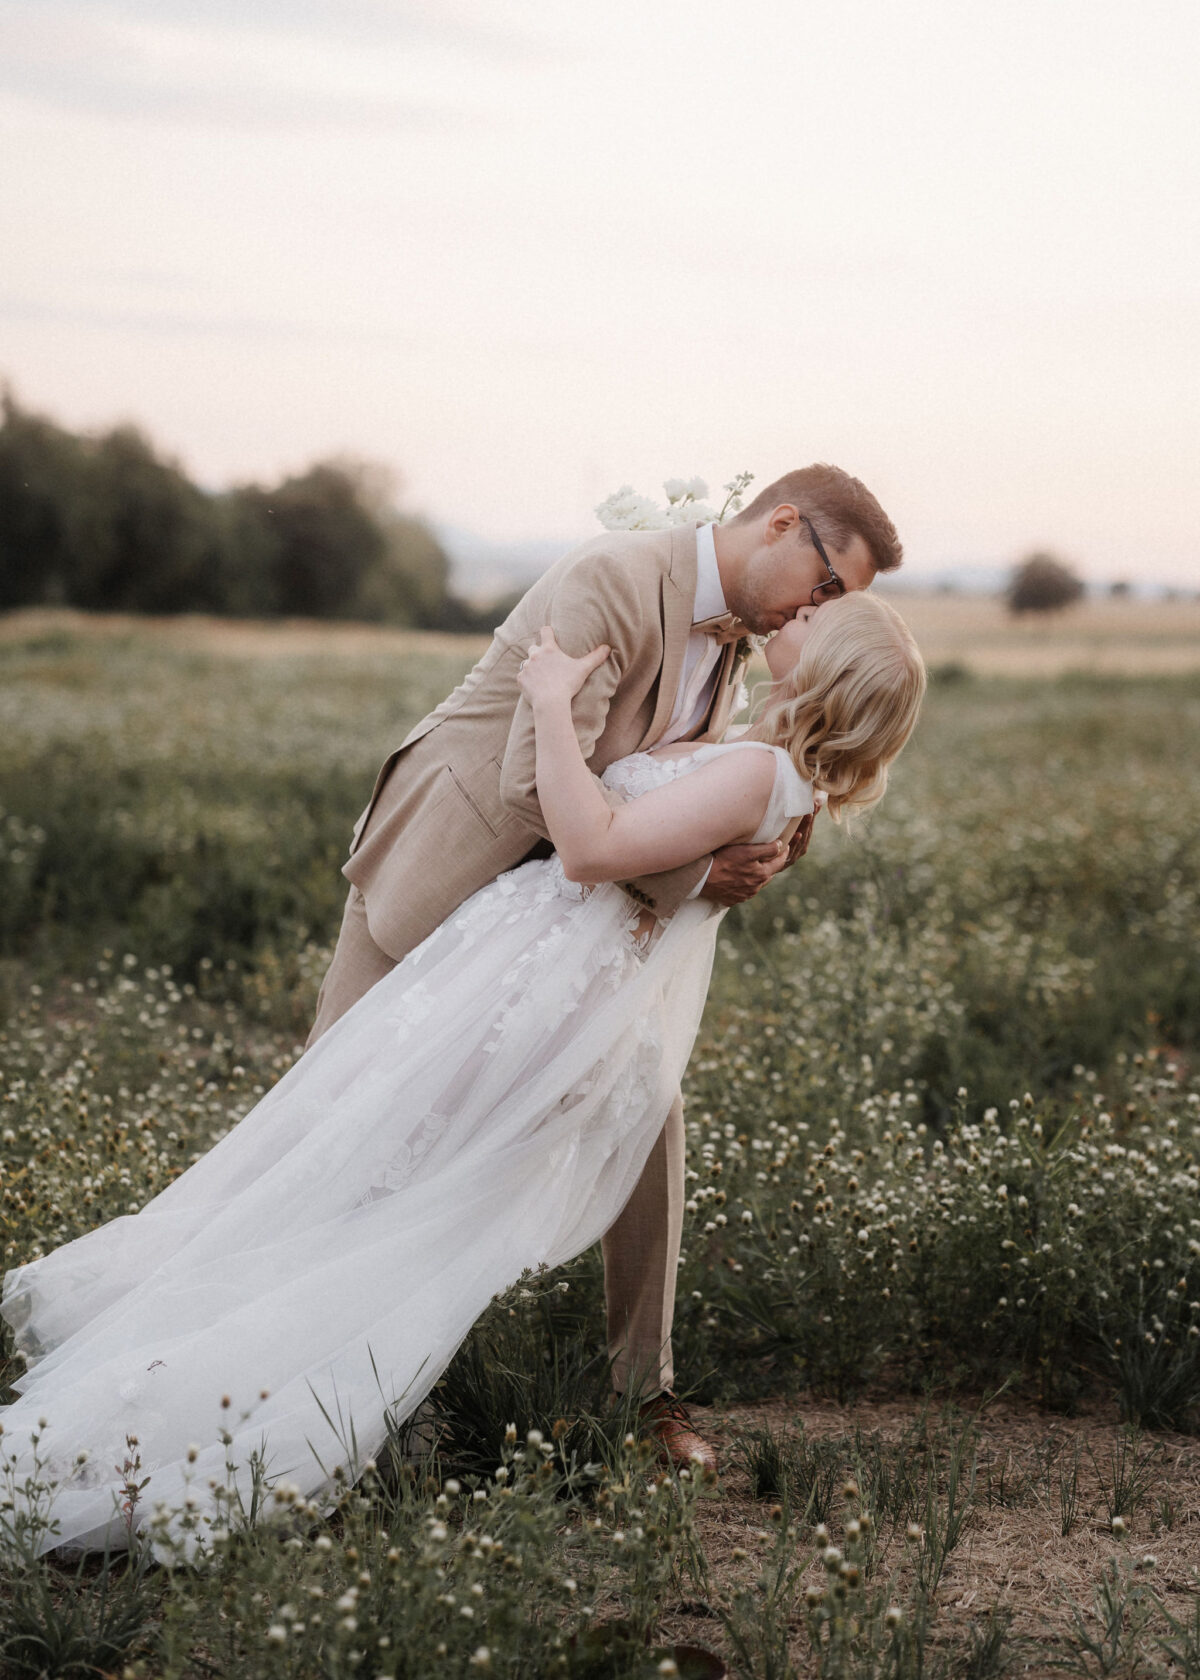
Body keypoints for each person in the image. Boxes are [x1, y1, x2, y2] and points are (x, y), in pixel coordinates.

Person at [0, 585, 925, 1561]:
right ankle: (196, 1396)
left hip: (535, 1006)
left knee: (382, 1193)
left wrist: (552, 697)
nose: (802, 613)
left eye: (821, 621)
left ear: (832, 674)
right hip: (520, 980)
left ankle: (202, 1427)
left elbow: (588, 848)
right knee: (363, 1175)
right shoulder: (758, 759)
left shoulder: (762, 778)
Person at [307, 465, 904, 1471]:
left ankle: (645, 1390)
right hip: (452, 866)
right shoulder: (614, 581)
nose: (821, 609)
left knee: (645, 1103)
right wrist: (694, 870)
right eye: (828, 584)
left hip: (570, 919)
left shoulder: (744, 647)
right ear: (784, 525)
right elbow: (532, 785)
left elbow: (699, 778)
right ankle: (332, 1385)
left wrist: (752, 847)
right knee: (338, 1118)